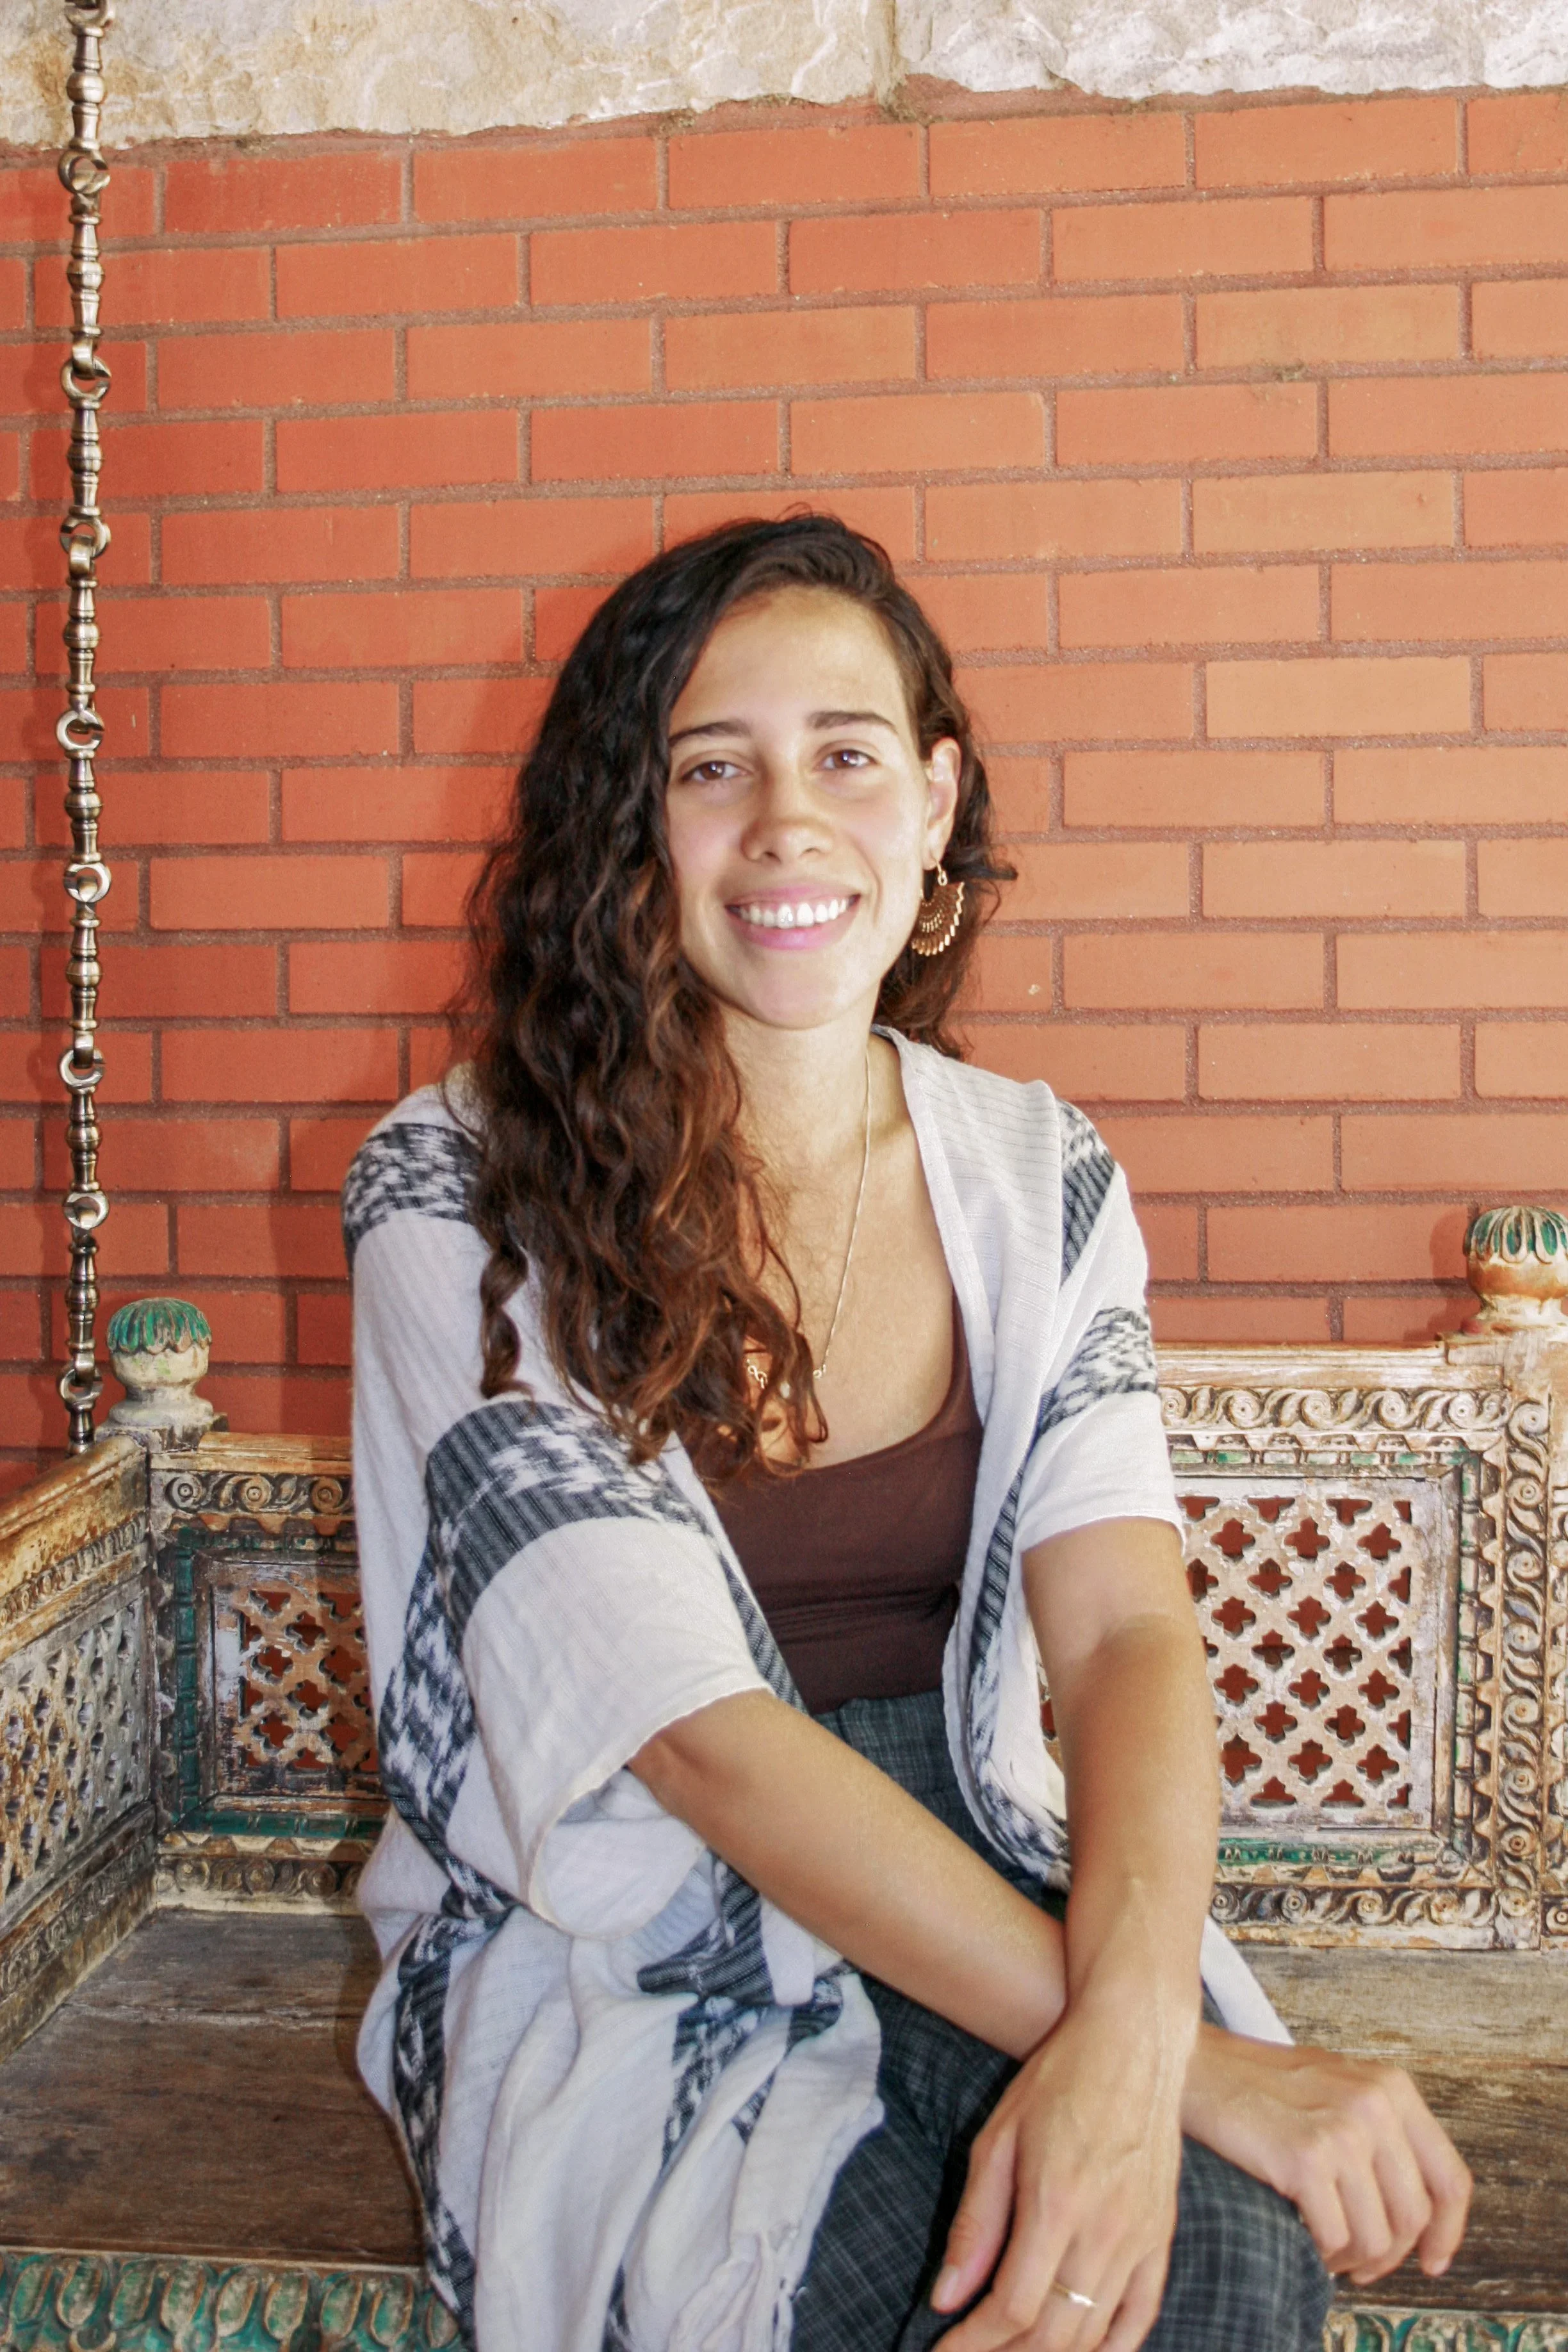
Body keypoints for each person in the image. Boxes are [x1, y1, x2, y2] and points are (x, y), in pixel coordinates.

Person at [346, 515, 1470, 2352]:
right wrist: (1184, 2064)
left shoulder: (1039, 1172)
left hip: (983, 1852)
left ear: (936, 803)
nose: (788, 824)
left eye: (848, 757)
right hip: (629, 1923)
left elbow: (1125, 1635)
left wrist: (1131, 2048)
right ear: (634, 825)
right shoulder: (461, 1187)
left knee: (1215, 2267)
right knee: (876, 2294)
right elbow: (693, 1740)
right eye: (712, 768)